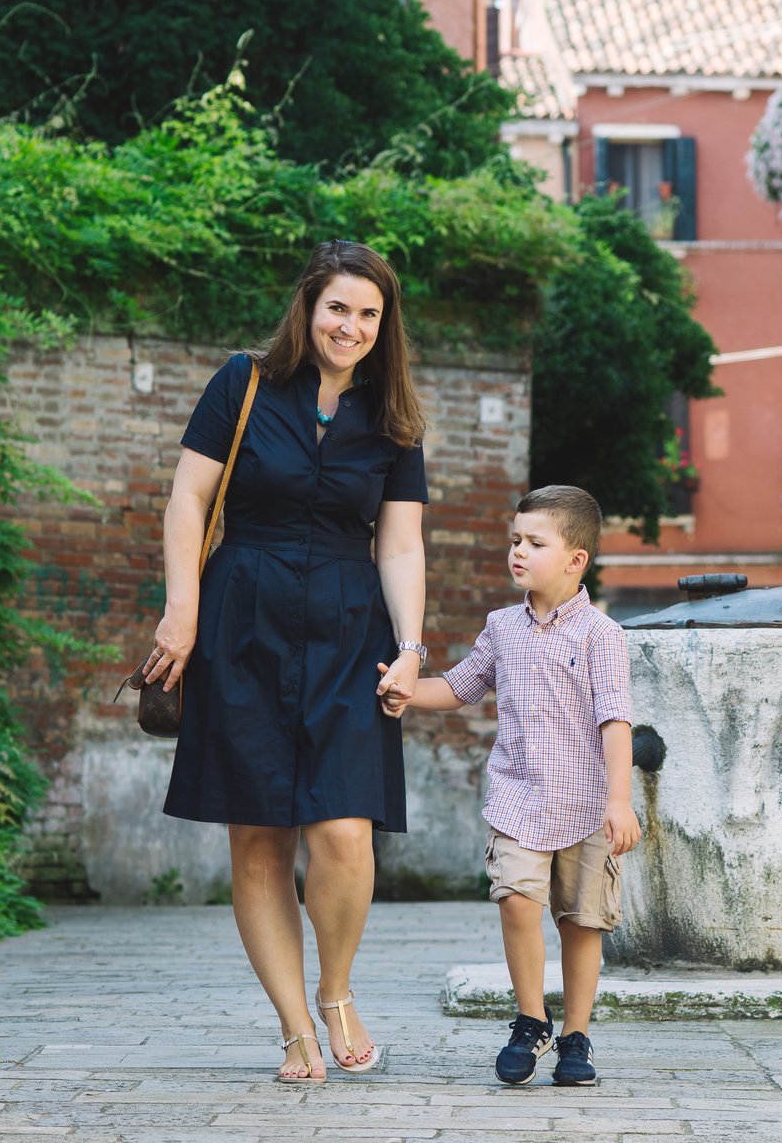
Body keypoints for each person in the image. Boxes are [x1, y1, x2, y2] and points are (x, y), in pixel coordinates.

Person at [143, 240, 429, 1084]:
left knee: (344, 831)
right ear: (308, 307)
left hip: (349, 627)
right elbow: (190, 497)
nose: (352, 326)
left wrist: (410, 647)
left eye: (369, 314)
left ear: (386, 324)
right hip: (241, 618)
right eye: (338, 307)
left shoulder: (393, 416)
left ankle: (336, 992)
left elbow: (402, 543)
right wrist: (182, 615)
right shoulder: (244, 382)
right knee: (259, 836)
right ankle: (295, 1025)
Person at [382, 485, 639, 1087]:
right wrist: (405, 692)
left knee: (581, 921)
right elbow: (461, 685)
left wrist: (619, 800)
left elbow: (616, 721)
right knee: (517, 902)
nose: (517, 553)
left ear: (576, 559)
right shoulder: (502, 627)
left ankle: (576, 1036)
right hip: (518, 798)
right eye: (514, 541)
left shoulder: (601, 635)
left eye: (534, 543)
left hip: (585, 806)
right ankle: (531, 1020)